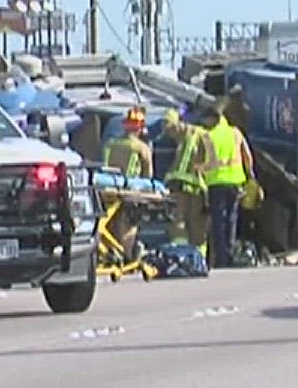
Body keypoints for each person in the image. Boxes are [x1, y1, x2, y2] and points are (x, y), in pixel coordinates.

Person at [200, 108, 254, 269]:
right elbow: (247, 156)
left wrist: (200, 170)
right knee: (232, 220)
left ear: (212, 119)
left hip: (216, 184)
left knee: (218, 222)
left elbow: (206, 162)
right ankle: (229, 256)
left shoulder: (208, 136)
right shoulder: (236, 133)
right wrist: (250, 176)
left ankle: (221, 259)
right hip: (236, 182)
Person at [161, 110, 209, 257]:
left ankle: (187, 254)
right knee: (191, 223)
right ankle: (193, 255)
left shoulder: (191, 133)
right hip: (192, 186)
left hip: (187, 185)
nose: (168, 133)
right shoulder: (190, 136)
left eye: (168, 128)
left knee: (182, 221)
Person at [102, 107, 153, 180]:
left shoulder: (110, 144)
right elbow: (148, 177)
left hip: (109, 185)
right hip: (132, 188)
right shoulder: (142, 148)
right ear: (141, 127)